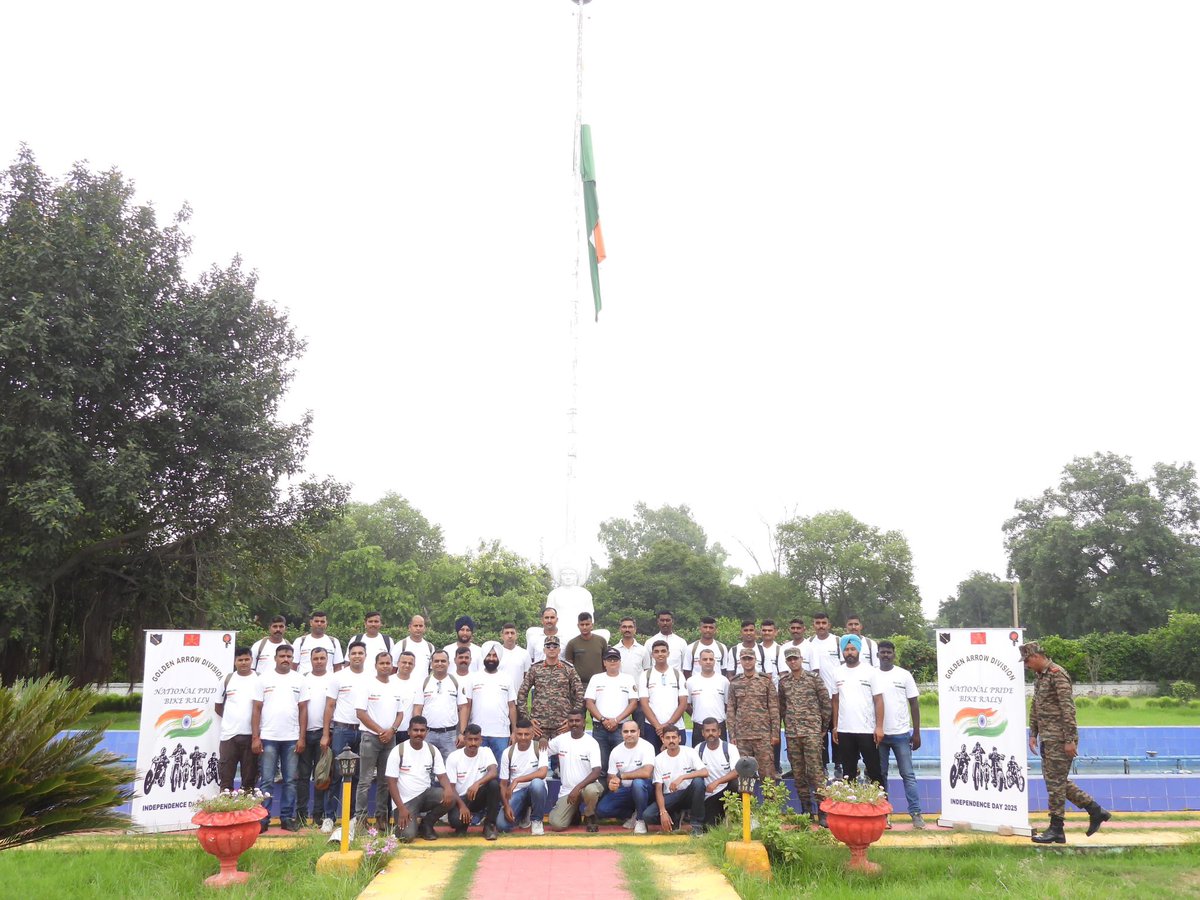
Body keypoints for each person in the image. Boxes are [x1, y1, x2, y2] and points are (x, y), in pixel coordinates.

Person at [1022, 641, 1111, 844]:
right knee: (1056, 781)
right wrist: (1033, 732)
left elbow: (1068, 708)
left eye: (1027, 661)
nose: (1026, 665)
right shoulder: (1040, 677)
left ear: (1036, 656)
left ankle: (1057, 829)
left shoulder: (1057, 674)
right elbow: (1036, 705)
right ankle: (1096, 811)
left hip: (1061, 738)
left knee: (1055, 783)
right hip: (1048, 736)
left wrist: (1070, 740)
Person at [251, 643, 306, 832]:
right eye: (282, 656)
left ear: (293, 659)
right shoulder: (263, 679)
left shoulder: (299, 679)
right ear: (275, 658)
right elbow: (256, 709)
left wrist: (301, 737)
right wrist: (256, 737)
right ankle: (263, 819)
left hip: (291, 738)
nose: (286, 659)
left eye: (289, 656)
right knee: (267, 780)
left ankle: (286, 818)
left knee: (290, 780)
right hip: (268, 737)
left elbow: (303, 710)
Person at [777, 645, 831, 824]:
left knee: (815, 772)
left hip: (811, 732)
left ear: (801, 659)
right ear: (786, 662)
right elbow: (782, 707)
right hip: (793, 734)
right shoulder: (784, 682)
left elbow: (825, 704)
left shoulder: (814, 679)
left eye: (795, 658)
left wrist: (822, 727)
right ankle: (807, 810)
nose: (793, 661)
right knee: (799, 774)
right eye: (790, 659)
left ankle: (823, 812)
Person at [354, 651, 406, 832]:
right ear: (375, 665)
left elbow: (401, 713)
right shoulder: (367, 685)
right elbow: (360, 713)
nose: (385, 666)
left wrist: (392, 731)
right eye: (381, 663)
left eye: (388, 663)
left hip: (390, 739)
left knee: (385, 781)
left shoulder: (396, 687)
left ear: (393, 665)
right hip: (370, 738)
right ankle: (360, 819)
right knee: (365, 781)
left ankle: (381, 818)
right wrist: (380, 731)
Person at [385, 716, 455, 843]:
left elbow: (442, 776)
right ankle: (409, 824)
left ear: (426, 731)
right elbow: (391, 783)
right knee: (406, 837)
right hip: (405, 802)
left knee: (451, 797)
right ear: (408, 731)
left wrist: (448, 789)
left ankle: (426, 824)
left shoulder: (432, 750)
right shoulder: (398, 751)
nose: (419, 734)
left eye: (422, 730)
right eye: (415, 730)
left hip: (425, 795)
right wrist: (401, 808)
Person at [876, 640, 924, 829]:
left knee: (908, 775)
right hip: (879, 735)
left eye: (889, 652)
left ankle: (916, 814)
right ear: (878, 654)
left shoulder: (904, 675)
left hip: (901, 734)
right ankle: (883, 815)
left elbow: (914, 704)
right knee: (880, 776)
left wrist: (917, 732)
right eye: (882, 652)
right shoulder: (872, 675)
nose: (886, 655)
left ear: (894, 654)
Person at [323, 640, 368, 838]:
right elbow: (330, 706)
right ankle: (329, 817)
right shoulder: (338, 677)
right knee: (336, 774)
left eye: (361, 653)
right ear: (348, 656)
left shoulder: (372, 677)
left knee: (358, 776)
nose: (357, 656)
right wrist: (326, 733)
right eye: (354, 653)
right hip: (342, 730)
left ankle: (351, 817)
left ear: (365, 656)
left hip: (364, 731)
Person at [830, 634, 884, 786]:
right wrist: (835, 726)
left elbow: (879, 700)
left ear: (859, 650)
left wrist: (879, 727)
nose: (849, 652)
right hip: (845, 730)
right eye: (846, 649)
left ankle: (881, 807)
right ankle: (851, 808)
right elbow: (835, 700)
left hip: (867, 730)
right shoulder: (837, 672)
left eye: (853, 649)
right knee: (848, 773)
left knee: (874, 771)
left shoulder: (870, 671)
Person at [642, 728, 708, 836]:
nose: (671, 740)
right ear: (663, 740)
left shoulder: (689, 752)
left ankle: (697, 825)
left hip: (688, 794)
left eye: (674, 737)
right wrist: (663, 812)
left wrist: (682, 777)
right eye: (668, 738)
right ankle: (674, 818)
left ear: (680, 739)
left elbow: (705, 772)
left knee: (698, 782)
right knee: (648, 816)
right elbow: (658, 789)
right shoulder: (658, 759)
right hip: (671, 796)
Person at [726, 646, 779, 780]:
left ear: (755, 660)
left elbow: (773, 708)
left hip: (763, 736)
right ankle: (747, 802)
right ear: (740, 661)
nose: (747, 662)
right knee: (744, 777)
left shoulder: (765, 681)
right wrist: (732, 734)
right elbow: (731, 709)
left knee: (767, 775)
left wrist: (775, 733)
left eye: (750, 659)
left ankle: (770, 802)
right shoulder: (735, 682)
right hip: (742, 737)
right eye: (744, 659)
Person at [517, 636, 584, 741]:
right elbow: (522, 694)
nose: (551, 649)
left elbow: (579, 695)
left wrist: (571, 720)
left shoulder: (568, 669)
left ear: (559, 650)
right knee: (538, 755)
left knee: (562, 756)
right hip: (539, 726)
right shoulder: (535, 669)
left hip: (561, 725)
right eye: (548, 646)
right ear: (544, 650)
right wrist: (528, 719)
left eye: (555, 646)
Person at [546, 710, 604, 832]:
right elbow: (543, 751)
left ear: (584, 722)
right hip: (567, 790)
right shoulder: (561, 740)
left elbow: (596, 771)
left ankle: (589, 815)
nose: (574, 724)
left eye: (577, 721)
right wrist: (541, 740)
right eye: (571, 721)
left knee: (591, 791)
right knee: (556, 824)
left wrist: (577, 788)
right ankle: (574, 813)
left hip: (587, 786)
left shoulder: (591, 743)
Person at [585, 647, 640, 773]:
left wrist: (616, 720)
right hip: (600, 727)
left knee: (622, 765)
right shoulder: (596, 678)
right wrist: (603, 719)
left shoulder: (628, 679)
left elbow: (633, 703)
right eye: (609, 660)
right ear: (604, 662)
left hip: (621, 728)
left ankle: (620, 791)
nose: (612, 662)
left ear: (620, 661)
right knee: (601, 765)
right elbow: (589, 702)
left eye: (615, 659)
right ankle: (602, 792)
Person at [594, 719, 655, 833]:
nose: (629, 734)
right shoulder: (616, 751)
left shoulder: (647, 747)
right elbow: (611, 776)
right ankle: (634, 814)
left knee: (638, 783)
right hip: (625, 790)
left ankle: (641, 820)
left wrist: (622, 777)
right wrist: (612, 784)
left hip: (646, 789)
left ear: (639, 732)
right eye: (626, 731)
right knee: (602, 810)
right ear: (621, 733)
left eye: (633, 731)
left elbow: (647, 773)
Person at [296, 647, 333, 828]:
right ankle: (301, 814)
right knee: (302, 777)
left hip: (323, 734)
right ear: (310, 660)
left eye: (322, 658)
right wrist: (300, 736)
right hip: (304, 734)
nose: (319, 661)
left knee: (321, 776)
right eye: (315, 658)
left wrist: (327, 734)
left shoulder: (333, 679)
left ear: (327, 659)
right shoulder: (302, 679)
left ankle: (318, 814)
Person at [444, 724, 500, 840]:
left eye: (476, 739)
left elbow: (493, 772)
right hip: (460, 799)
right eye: (470, 739)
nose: (473, 743)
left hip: (478, 796)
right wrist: (462, 806)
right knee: (456, 822)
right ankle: (463, 823)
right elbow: (451, 787)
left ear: (481, 740)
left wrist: (477, 784)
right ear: (464, 739)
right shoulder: (454, 757)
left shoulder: (486, 752)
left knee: (493, 784)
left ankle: (489, 825)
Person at [460, 646, 517, 760]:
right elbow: (466, 706)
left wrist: (514, 732)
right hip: (477, 734)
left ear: (499, 658)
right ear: (484, 657)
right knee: (478, 769)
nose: (491, 658)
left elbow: (512, 707)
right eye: (489, 655)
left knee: (502, 771)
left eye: (494, 655)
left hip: (501, 734)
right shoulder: (473, 677)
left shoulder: (507, 678)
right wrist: (462, 732)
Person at [215, 646, 258, 793]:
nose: (244, 663)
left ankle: (247, 815)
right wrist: (232, 720)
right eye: (240, 660)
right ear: (235, 662)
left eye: (247, 659)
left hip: (252, 737)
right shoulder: (227, 680)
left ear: (252, 660)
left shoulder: (260, 679)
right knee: (226, 780)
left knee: (249, 781)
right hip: (229, 736)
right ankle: (225, 813)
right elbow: (218, 706)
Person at [497, 719, 550, 835]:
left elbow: (542, 773)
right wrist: (506, 806)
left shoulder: (540, 747)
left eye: (527, 734)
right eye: (519, 734)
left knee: (537, 783)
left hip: (535, 790)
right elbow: (503, 784)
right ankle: (523, 813)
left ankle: (537, 820)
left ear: (532, 734)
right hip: (517, 792)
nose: (523, 737)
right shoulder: (508, 752)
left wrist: (517, 780)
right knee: (502, 825)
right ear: (514, 734)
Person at [412, 650, 466, 762]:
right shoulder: (424, 682)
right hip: (427, 734)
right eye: (436, 661)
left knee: (450, 767)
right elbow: (418, 708)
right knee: (426, 766)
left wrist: (462, 733)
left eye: (443, 661)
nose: (440, 663)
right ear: (431, 664)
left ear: (448, 663)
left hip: (449, 735)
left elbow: (463, 708)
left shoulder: (456, 682)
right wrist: (417, 731)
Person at [805, 613, 841, 772]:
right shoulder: (808, 643)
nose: (821, 625)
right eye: (817, 623)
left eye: (823, 623)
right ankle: (823, 765)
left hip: (836, 695)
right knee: (820, 732)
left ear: (829, 624)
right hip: (816, 697)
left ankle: (839, 764)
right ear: (813, 625)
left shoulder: (838, 641)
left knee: (837, 729)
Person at [639, 640, 687, 754]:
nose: (660, 654)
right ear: (652, 655)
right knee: (654, 761)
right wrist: (658, 726)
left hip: (676, 726)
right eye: (656, 651)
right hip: (652, 727)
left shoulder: (678, 674)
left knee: (677, 760)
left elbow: (683, 703)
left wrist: (668, 725)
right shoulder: (645, 675)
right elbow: (644, 704)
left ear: (668, 653)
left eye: (663, 651)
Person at [696, 718, 740, 827]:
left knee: (736, 783)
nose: (711, 733)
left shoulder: (730, 748)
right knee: (709, 827)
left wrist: (717, 782)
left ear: (719, 732)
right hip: (709, 796)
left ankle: (740, 816)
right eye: (707, 731)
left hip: (727, 792)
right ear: (703, 733)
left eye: (713, 730)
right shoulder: (698, 749)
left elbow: (736, 771)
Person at [686, 648, 729, 747]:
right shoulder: (691, 681)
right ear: (699, 661)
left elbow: (727, 704)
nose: (708, 662)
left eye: (711, 659)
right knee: (698, 757)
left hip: (719, 726)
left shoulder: (724, 681)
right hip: (699, 726)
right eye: (705, 659)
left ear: (715, 661)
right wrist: (697, 715)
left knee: (721, 756)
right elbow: (687, 705)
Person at [485, 622, 531, 696]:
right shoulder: (495, 654)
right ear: (502, 636)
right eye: (507, 633)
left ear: (516, 635)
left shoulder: (524, 654)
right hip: (498, 696)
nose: (510, 636)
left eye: (512, 633)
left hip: (518, 697)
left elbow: (527, 678)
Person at [564, 612, 605, 687]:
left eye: (587, 624)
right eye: (582, 625)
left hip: (599, 683)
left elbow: (606, 662)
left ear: (592, 625)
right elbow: (568, 666)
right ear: (578, 626)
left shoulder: (601, 641)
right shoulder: (572, 643)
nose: (584, 627)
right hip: (579, 684)